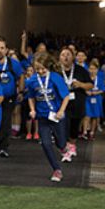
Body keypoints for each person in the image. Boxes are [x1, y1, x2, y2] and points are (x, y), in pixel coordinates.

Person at [26, 52, 71, 182]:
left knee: (61, 143)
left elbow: (66, 96)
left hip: (57, 116)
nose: (40, 71)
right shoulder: (32, 80)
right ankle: (56, 170)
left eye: (42, 68)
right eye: (37, 68)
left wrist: (61, 111)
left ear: (48, 66)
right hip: (42, 117)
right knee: (45, 143)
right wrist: (32, 109)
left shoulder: (55, 78)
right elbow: (30, 97)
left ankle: (64, 147)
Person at [0, 36, 24, 158]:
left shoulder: (13, 64)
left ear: (6, 50)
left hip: (9, 97)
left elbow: (21, 76)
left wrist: (20, 91)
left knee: (5, 120)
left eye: (2, 48)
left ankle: (3, 146)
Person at [57, 47, 92, 161]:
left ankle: (71, 146)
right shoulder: (56, 71)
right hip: (62, 105)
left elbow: (90, 85)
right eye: (63, 55)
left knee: (74, 128)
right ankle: (67, 148)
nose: (66, 57)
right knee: (63, 127)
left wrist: (80, 84)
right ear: (59, 57)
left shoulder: (80, 70)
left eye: (68, 54)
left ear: (73, 57)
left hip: (77, 104)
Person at [85, 59, 105, 139]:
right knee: (87, 115)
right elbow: (83, 87)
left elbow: (103, 89)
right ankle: (85, 131)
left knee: (95, 115)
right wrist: (86, 92)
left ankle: (92, 132)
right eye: (91, 69)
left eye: (94, 69)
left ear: (97, 70)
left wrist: (95, 93)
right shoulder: (86, 78)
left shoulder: (99, 79)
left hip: (96, 99)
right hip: (87, 98)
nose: (92, 71)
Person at [23, 65, 39, 140]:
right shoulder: (24, 80)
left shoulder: (36, 80)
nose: (30, 72)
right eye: (28, 70)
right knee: (28, 117)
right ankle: (29, 133)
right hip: (26, 99)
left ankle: (36, 132)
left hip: (36, 100)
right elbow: (22, 89)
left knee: (36, 117)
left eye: (31, 71)